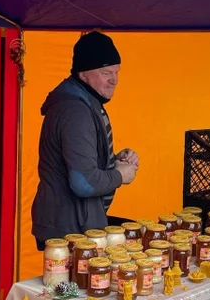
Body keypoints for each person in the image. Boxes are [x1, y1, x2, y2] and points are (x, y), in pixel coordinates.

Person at [32, 31, 139, 249]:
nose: (114, 80)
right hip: (70, 229)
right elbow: (84, 183)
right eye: (105, 72)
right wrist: (119, 175)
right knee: (73, 284)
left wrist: (112, 161)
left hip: (73, 222)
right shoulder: (75, 112)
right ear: (83, 75)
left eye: (116, 72)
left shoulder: (84, 101)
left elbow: (80, 162)